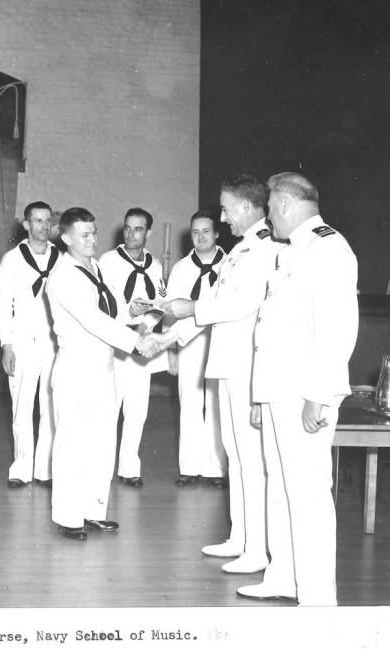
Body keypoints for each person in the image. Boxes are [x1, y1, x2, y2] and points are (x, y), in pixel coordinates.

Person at [146, 174, 283, 575]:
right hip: (227, 364)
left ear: (244, 206)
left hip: (247, 366)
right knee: (236, 456)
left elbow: (237, 305)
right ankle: (241, 538)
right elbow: (214, 305)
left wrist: (188, 310)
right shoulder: (242, 250)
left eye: (225, 208)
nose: (222, 217)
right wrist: (168, 337)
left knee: (249, 459)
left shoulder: (263, 249)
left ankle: (257, 549)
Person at [240, 172, 357, 605]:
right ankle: (283, 578)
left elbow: (338, 328)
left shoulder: (328, 248)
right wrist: (262, 395)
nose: (268, 216)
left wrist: (320, 396)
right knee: (278, 486)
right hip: (278, 391)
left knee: (307, 495)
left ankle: (317, 600)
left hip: (305, 394)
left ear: (286, 205)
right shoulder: (293, 250)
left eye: (270, 207)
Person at [45, 207, 140, 540]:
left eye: (94, 232)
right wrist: (137, 342)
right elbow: (92, 319)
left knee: (101, 441)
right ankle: (69, 517)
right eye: (84, 234)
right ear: (66, 237)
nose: (92, 239)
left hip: (104, 366)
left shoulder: (96, 267)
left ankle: (93, 510)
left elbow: (112, 310)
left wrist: (134, 312)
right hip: (76, 369)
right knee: (73, 443)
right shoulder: (62, 275)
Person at [98, 207, 166, 487]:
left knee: (137, 410)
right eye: (127, 228)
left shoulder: (156, 264)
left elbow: (161, 303)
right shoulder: (108, 260)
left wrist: (145, 325)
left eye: (138, 229)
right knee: (108, 409)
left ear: (148, 232)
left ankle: (130, 469)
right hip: (116, 342)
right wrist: (127, 312)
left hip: (142, 343)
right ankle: (102, 467)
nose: (131, 234)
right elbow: (102, 305)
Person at [0, 201, 58, 488]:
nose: (43, 227)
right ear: (26, 224)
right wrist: (6, 345)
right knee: (22, 406)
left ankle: (44, 468)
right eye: (37, 221)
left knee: (50, 404)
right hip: (22, 341)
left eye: (47, 221)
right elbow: (3, 304)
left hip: (53, 342)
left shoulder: (61, 257)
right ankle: (21, 468)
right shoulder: (12, 258)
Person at [163, 211, 225, 486]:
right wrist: (171, 348)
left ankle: (215, 469)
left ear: (217, 234)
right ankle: (189, 467)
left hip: (221, 340)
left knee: (215, 404)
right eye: (195, 233)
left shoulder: (232, 265)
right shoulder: (181, 269)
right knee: (189, 402)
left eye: (206, 232)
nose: (200, 237)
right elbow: (170, 313)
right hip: (188, 341)